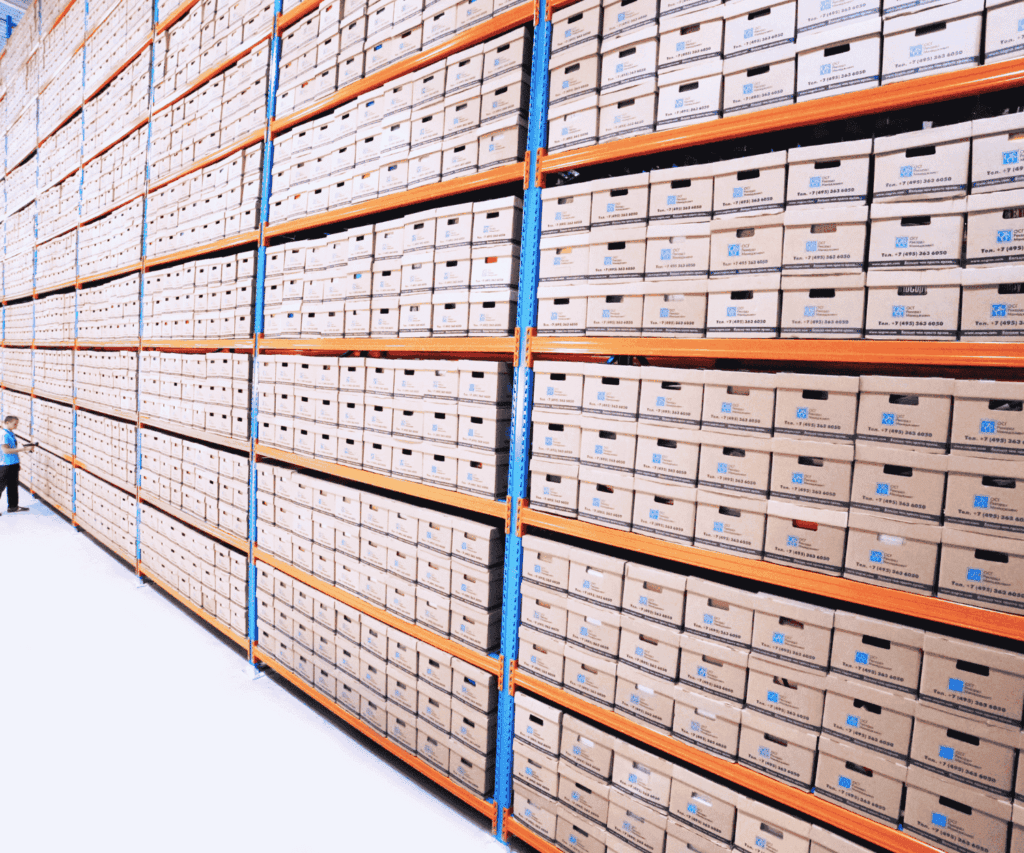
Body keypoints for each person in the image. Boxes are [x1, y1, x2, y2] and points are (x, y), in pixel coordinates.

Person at [0, 415, 34, 516]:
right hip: (5, 465)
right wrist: (23, 450)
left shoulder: (10, 433)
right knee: (0, 487)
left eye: (17, 424)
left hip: (13, 464)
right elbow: (6, 450)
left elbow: (13, 448)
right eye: (14, 423)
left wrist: (17, 463)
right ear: (7, 422)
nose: (16, 425)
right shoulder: (3, 434)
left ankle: (13, 507)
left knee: (13, 486)